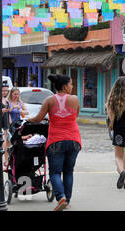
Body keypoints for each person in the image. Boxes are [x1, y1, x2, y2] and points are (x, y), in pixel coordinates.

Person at [26, 74, 81, 211]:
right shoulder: (75, 99)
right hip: (74, 139)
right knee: (68, 171)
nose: (72, 86)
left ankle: (61, 197)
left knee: (55, 173)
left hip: (56, 141)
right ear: (64, 86)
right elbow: (75, 116)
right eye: (71, 84)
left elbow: (38, 119)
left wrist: (28, 120)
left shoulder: (49, 100)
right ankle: (66, 201)